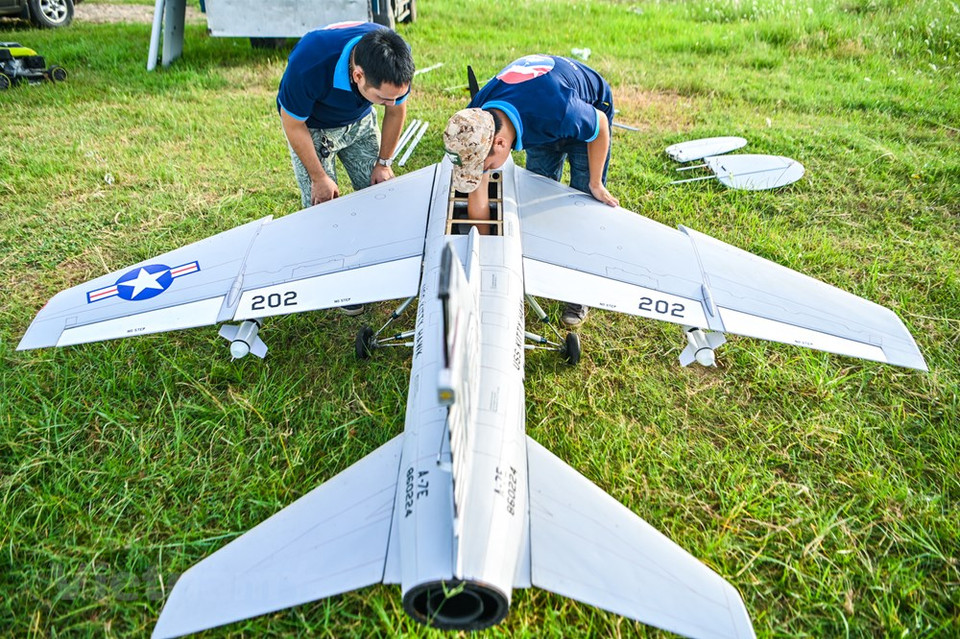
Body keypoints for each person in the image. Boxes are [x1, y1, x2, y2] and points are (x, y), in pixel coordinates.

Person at [442, 54, 618, 326]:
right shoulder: (473, 121)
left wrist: (596, 183)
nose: (484, 171)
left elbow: (600, 125)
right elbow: (479, 190)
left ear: (501, 143)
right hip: (537, 117)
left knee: (582, 204)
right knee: (539, 188)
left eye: (485, 166)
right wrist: (484, 255)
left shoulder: (560, 110)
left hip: (587, 112)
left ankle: (578, 291)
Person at [277, 21, 415, 315]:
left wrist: (383, 163)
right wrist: (318, 177)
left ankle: (380, 260)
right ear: (358, 75)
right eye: (383, 98)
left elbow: (396, 109)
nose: (390, 103)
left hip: (359, 123)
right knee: (323, 209)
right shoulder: (310, 61)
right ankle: (339, 280)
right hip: (313, 129)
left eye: (395, 96)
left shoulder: (395, 58)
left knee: (381, 192)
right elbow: (292, 123)